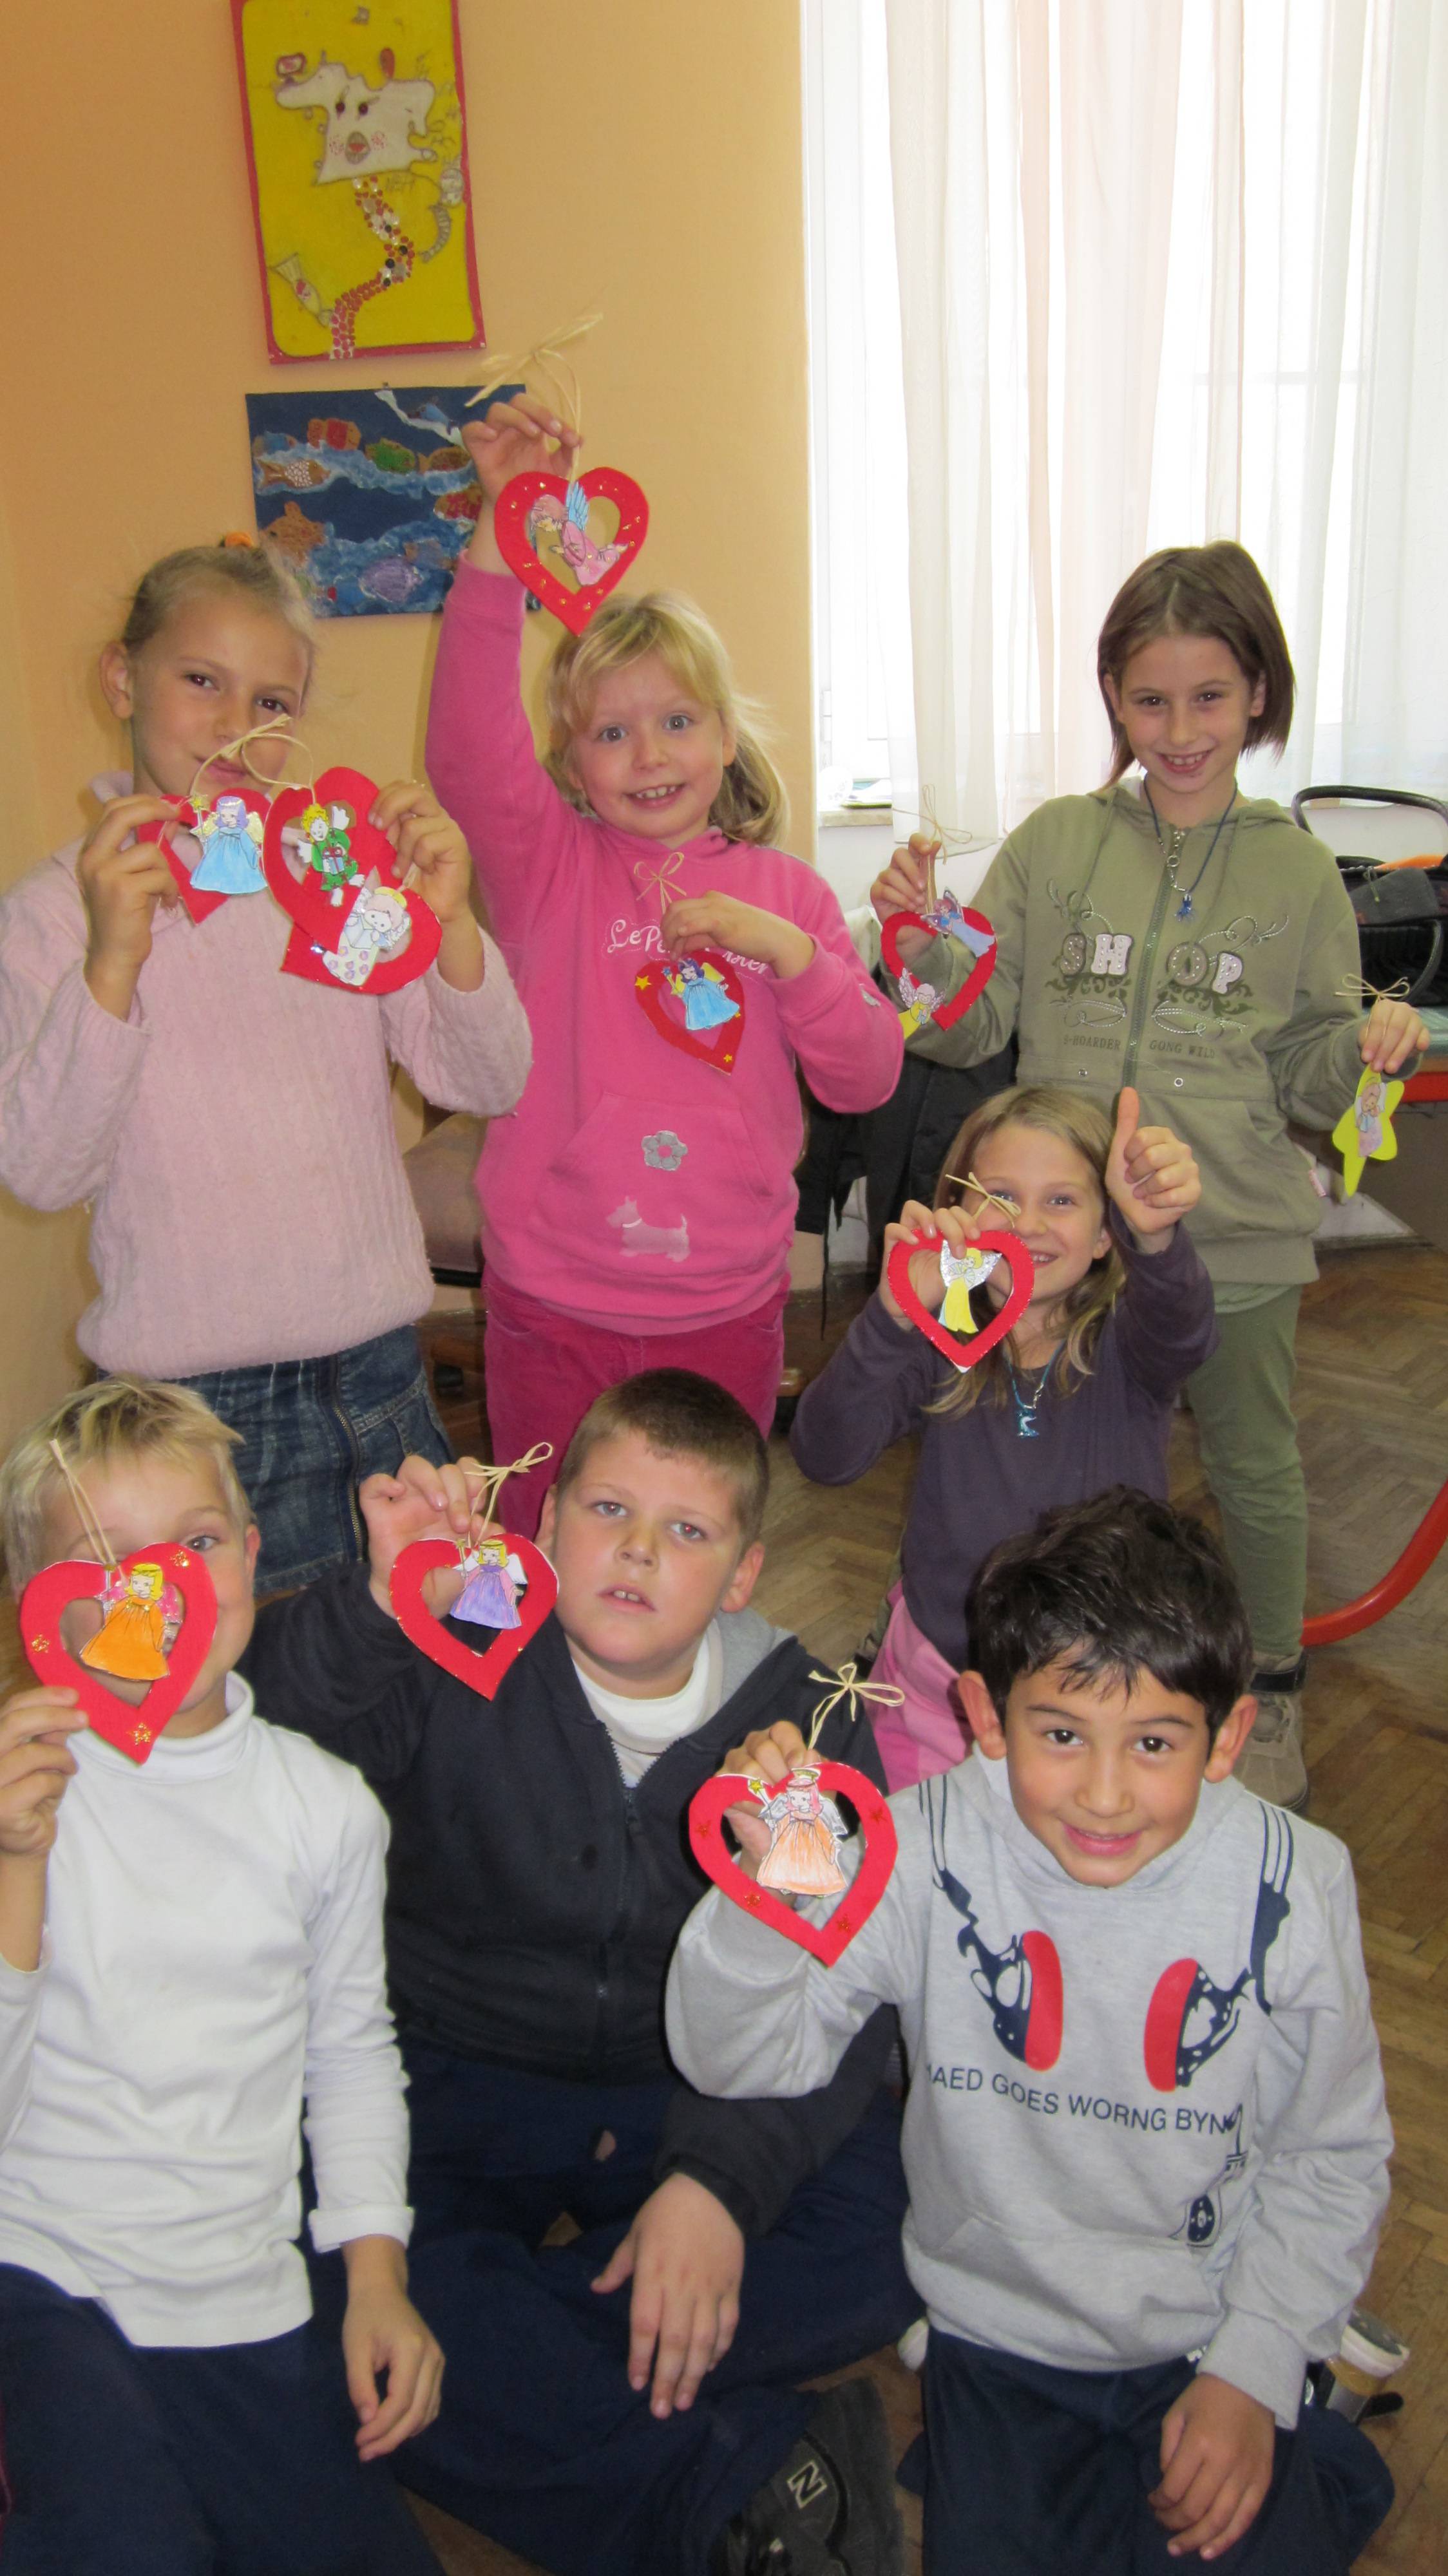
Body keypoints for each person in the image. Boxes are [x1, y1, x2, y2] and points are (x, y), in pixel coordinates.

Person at [242, 1369, 917, 2576]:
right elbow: (260, 1726)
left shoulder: (811, 1725)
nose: (639, 1551)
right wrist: (380, 1602)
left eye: (689, 1532)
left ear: (744, 1576)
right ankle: (731, 2480)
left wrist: (717, 2187)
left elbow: (843, 2008)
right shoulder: (462, 1626)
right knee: (305, 2260)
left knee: (903, 2215)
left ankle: (511, 2346)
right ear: (545, 1522)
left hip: (688, 2092)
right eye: (608, 1511)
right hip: (447, 2078)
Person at [667, 1487, 1396, 2576]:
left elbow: (1331, 2154)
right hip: (996, 2340)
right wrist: (769, 1898)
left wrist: (1253, 2365)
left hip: (1206, 2323)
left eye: (1153, 1742)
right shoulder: (916, 1847)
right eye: (1059, 1734)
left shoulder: (1296, 1881)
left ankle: (1316, 2434)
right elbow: (735, 2059)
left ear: (1227, 1737)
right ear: (982, 1715)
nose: (1103, 1794)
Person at [870, 541, 1429, 1810]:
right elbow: (967, 1023)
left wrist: (1367, 1049)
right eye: (1148, 699)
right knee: (1056, 1482)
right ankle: (1059, 1689)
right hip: (1058, 1257)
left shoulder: (1293, 869)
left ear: (1258, 695)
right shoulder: (1056, 842)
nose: (1177, 731)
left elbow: (1311, 1072)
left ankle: (1268, 1689)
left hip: (1227, 1241)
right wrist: (913, 942)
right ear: (1112, 699)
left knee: (1251, 1467)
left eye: (1208, 697)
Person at [0, 539, 531, 1593]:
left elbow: (485, 1082)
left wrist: (451, 923)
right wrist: (113, 964)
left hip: (382, 1376)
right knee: (250, 1674)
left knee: (418, 1657)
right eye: (203, 681)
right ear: (123, 679)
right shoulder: (55, 915)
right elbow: (45, 1171)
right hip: (194, 1417)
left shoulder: (330, 877)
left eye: (272, 701)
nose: (236, 727)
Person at [424, 391, 904, 1536]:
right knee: (548, 1539)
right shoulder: (546, 870)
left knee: (693, 1550)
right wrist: (501, 531)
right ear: (571, 764)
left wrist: (790, 957)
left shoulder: (788, 895)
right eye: (610, 731)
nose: (648, 754)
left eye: (678, 722)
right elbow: (467, 745)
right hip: (553, 1299)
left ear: (726, 737)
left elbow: (866, 1077)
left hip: (723, 1304)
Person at [0, 1377, 444, 2576]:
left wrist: (375, 2274)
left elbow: (351, 2055)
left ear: (253, 1557)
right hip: (39, 2270)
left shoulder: (325, 1809)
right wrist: (15, 1871)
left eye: (196, 1545)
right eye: (108, 1563)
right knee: (125, 2545)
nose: (159, 1591)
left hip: (246, 2292)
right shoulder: (26, 1800)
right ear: (41, 1606)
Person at [792, 1081, 1215, 1787]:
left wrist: (1157, 1237)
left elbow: (1186, 1328)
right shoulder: (938, 1338)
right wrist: (891, 1318)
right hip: (939, 1684)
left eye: (1062, 1200)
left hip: (1096, 1693)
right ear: (957, 1213)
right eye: (1000, 1196)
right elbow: (825, 1455)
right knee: (918, 1843)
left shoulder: (1132, 1344)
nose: (1028, 1224)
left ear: (1106, 1232)